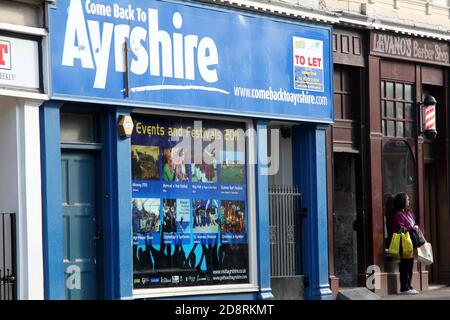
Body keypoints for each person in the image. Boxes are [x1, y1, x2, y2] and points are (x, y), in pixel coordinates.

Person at [392, 192, 419, 295]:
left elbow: (413, 223)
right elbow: (400, 228)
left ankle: (409, 285)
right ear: (402, 201)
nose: (409, 201)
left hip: (410, 241)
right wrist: (412, 227)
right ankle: (404, 288)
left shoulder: (408, 212)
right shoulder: (398, 214)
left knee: (410, 263)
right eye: (407, 199)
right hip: (403, 242)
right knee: (405, 265)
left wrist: (415, 225)